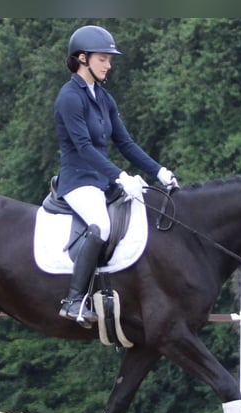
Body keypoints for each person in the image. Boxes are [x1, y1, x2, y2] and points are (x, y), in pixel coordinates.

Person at [54, 24, 179, 326]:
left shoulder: (104, 98)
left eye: (110, 60)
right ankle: (72, 301)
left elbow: (125, 143)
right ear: (82, 58)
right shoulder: (70, 97)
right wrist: (122, 177)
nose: (109, 65)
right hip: (78, 180)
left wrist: (158, 171)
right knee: (101, 227)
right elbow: (83, 148)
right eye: (103, 59)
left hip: (102, 180)